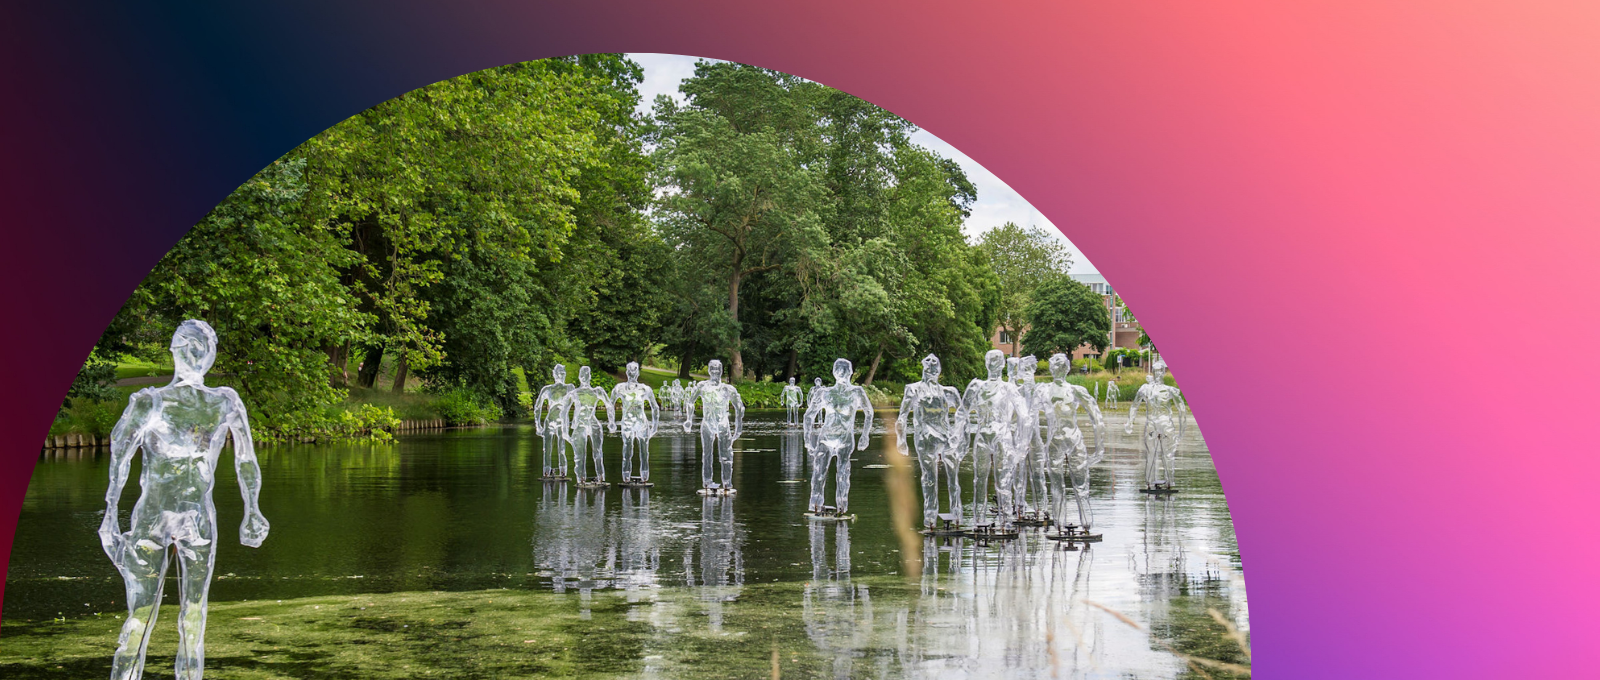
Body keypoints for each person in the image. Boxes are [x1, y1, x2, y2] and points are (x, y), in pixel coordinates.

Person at [99, 320, 269, 680]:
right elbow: (119, 457)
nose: (191, 352)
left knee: (194, 615)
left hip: (198, 518)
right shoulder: (149, 402)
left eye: (198, 346)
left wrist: (252, 509)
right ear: (175, 351)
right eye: (185, 344)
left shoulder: (224, 402)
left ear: (208, 355)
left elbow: (246, 459)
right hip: (152, 518)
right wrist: (109, 518)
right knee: (141, 611)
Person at [1037, 353, 1108, 534]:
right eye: (1057, 366)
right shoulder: (1043, 391)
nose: (1059, 370)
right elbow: (1027, 417)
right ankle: (1065, 526)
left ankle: (1081, 525)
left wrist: (1100, 449)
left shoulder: (1074, 390)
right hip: (1057, 441)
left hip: (1071, 439)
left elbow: (1096, 417)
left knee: (1078, 486)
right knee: (1061, 486)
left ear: (1066, 369)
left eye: (1061, 366)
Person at [958, 349, 1028, 530]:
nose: (994, 362)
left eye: (998, 359)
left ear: (1003, 364)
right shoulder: (977, 386)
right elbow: (961, 413)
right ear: (986, 363)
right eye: (991, 359)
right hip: (983, 435)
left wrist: (1021, 446)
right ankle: (979, 520)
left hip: (1002, 435)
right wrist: (959, 440)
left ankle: (1006, 521)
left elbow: (1025, 416)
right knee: (979, 479)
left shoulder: (1008, 387)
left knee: (1003, 480)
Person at [897, 354, 964, 530]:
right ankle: (931, 517)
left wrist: (959, 437)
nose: (932, 366)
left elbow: (961, 415)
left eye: (935, 364)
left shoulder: (949, 392)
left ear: (939, 369)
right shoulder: (913, 389)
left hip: (945, 436)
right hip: (925, 437)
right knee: (929, 478)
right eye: (929, 364)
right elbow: (902, 416)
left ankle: (956, 515)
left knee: (952, 477)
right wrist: (901, 440)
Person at [803, 359, 874, 516]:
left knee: (843, 474)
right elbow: (809, 415)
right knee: (819, 473)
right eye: (838, 369)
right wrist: (807, 440)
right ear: (834, 372)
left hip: (845, 438)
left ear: (850, 372)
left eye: (844, 369)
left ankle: (842, 506)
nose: (841, 372)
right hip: (825, 437)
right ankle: (816, 505)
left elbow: (869, 412)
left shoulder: (856, 392)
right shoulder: (824, 393)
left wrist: (865, 435)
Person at [682, 360, 746, 495]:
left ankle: (727, 483)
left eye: (718, 369)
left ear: (722, 370)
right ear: (709, 370)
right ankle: (707, 482)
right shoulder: (702, 386)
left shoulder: (727, 389)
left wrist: (738, 426)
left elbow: (739, 407)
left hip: (722, 423)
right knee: (707, 454)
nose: (715, 371)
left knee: (726, 454)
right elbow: (690, 402)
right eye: (712, 369)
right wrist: (689, 419)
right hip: (707, 423)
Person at [1125, 357, 1187, 491]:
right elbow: (1134, 405)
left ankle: (1170, 481)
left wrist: (1182, 431)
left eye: (1160, 371)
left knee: (1167, 454)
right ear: (1153, 372)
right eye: (1156, 371)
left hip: (1165, 424)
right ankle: (1149, 482)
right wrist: (1130, 422)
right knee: (1151, 454)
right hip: (1152, 423)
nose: (1158, 374)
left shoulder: (1170, 390)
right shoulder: (1145, 389)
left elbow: (1182, 410)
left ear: (1163, 373)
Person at [610, 362, 661, 484]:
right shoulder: (619, 388)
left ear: (638, 372)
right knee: (627, 449)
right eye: (630, 370)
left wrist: (655, 426)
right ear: (627, 372)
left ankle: (644, 475)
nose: (632, 373)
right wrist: (611, 422)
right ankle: (626, 476)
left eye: (635, 370)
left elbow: (655, 407)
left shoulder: (645, 389)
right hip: (627, 423)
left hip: (641, 423)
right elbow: (610, 405)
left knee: (644, 450)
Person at [564, 366, 615, 487]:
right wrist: (564, 430)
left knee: (595, 453)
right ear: (582, 377)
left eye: (586, 375)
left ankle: (597, 477)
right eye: (584, 375)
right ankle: (585, 478)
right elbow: (563, 412)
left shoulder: (595, 391)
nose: (585, 377)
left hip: (590, 423)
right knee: (583, 455)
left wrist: (612, 423)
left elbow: (609, 406)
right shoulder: (575, 393)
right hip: (582, 424)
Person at [533, 365, 577, 480]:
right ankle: (546, 471)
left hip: (562, 422)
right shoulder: (547, 389)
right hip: (550, 421)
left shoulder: (569, 388)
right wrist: (538, 425)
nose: (561, 375)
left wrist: (576, 421)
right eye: (558, 373)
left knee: (561, 447)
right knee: (547, 448)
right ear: (554, 374)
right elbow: (537, 407)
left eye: (563, 372)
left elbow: (578, 404)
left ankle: (563, 471)